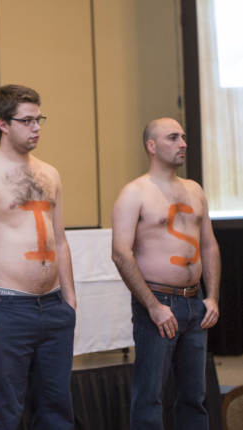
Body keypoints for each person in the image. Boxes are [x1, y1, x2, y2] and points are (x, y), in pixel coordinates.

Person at [0, 84, 76, 429]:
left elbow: (61, 240)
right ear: (3, 124)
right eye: (27, 120)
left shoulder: (50, 173)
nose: (36, 127)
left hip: (55, 307)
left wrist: (69, 300)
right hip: (9, 309)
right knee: (4, 414)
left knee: (57, 411)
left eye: (39, 119)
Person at [112, 118, 220, 430]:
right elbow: (121, 253)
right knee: (149, 398)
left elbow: (209, 245)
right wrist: (153, 306)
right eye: (173, 138)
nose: (183, 143)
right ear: (152, 146)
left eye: (183, 137)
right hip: (158, 302)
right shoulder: (135, 193)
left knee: (193, 397)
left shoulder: (194, 189)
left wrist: (211, 296)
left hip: (195, 302)